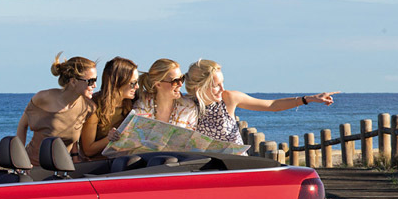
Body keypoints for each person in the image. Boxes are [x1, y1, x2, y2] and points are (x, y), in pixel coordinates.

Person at [184, 59, 338, 149]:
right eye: (216, 85)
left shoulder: (228, 98)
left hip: (235, 165)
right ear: (199, 86)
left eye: (222, 83)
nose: (222, 88)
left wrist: (308, 99)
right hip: (204, 168)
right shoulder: (186, 106)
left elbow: (272, 105)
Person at [16, 53, 98, 166]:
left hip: (61, 169)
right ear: (73, 81)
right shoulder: (43, 98)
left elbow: (74, 133)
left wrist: (75, 157)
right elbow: (22, 125)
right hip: (32, 167)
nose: (95, 85)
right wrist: (20, 161)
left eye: (95, 80)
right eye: (91, 81)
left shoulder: (88, 108)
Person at [78, 57, 139, 160]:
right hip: (100, 166)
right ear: (118, 82)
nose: (137, 87)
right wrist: (109, 139)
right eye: (133, 83)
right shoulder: (95, 107)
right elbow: (88, 150)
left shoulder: (134, 102)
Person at [128, 58, 197, 129]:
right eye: (175, 81)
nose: (180, 84)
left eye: (182, 79)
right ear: (158, 84)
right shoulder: (143, 105)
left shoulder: (188, 107)